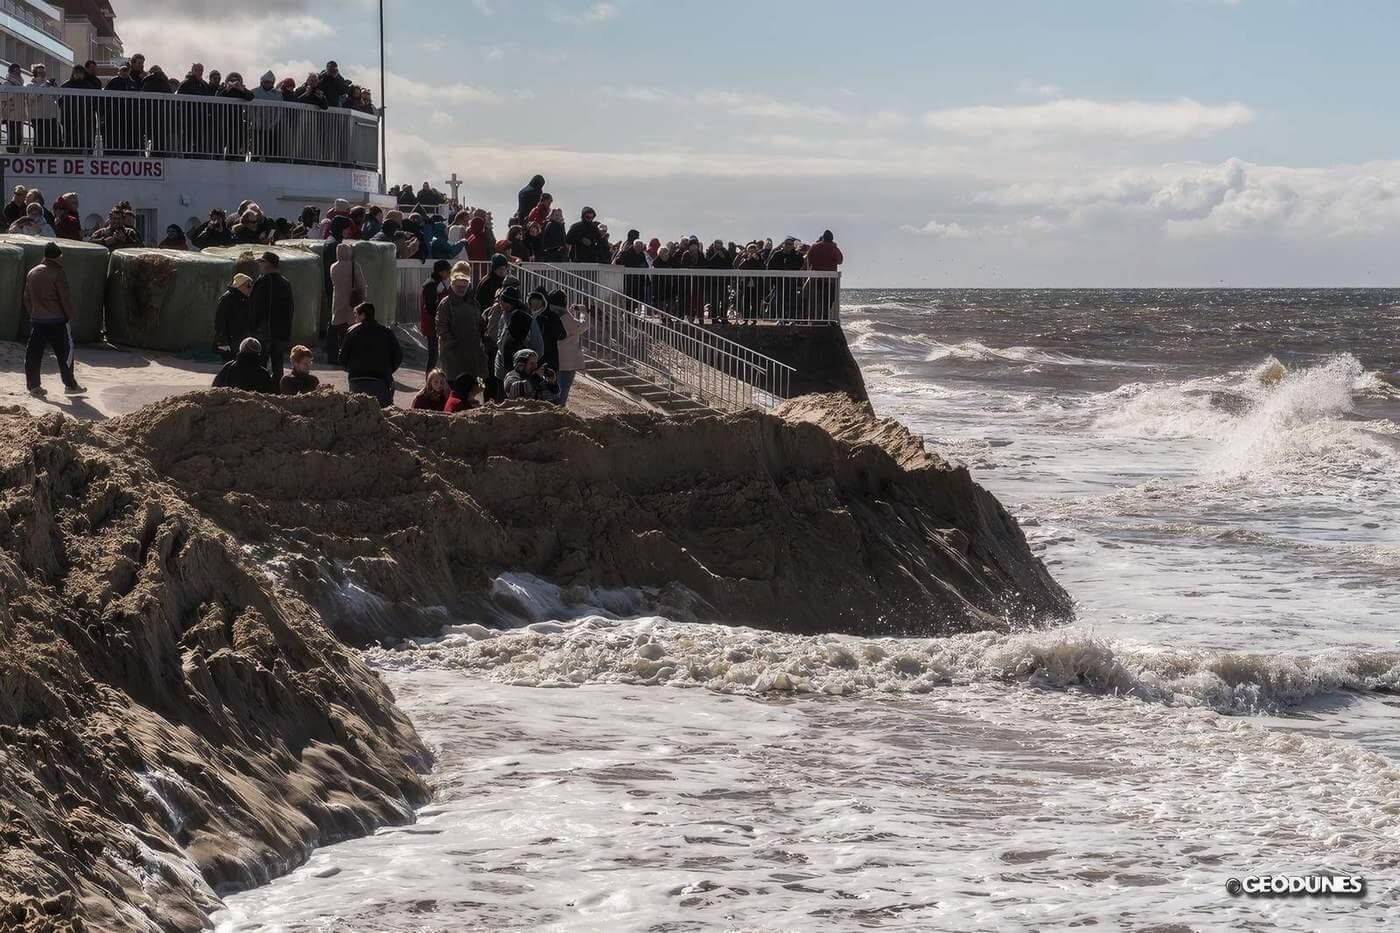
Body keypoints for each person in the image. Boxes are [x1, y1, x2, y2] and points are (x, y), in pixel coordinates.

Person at [22, 243, 83, 396]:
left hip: (38, 320)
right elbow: (65, 297)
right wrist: (69, 316)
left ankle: (34, 386)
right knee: (65, 353)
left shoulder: (32, 272)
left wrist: (34, 314)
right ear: (57, 256)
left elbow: (26, 298)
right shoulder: (58, 272)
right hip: (57, 321)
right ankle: (70, 385)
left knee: (33, 353)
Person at [436, 271, 488, 406]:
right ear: (452, 286)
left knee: (470, 388)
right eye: (458, 287)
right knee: (453, 388)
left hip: (471, 353)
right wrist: (452, 343)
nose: (461, 290)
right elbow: (441, 326)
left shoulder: (473, 303)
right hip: (454, 355)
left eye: (464, 287)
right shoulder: (446, 304)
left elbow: (479, 323)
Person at [338, 302, 402, 407]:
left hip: (356, 379)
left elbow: (342, 357)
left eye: (356, 316)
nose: (355, 320)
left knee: (358, 412)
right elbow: (398, 356)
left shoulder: (352, 331)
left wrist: (351, 368)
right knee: (383, 412)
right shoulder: (387, 332)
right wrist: (389, 370)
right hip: (382, 380)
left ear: (362, 315)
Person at [251, 251, 295, 381]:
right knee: (278, 364)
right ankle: (277, 390)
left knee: (261, 364)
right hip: (281, 332)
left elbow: (254, 307)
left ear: (269, 264)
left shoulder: (263, 281)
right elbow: (290, 309)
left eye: (262, 262)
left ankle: (261, 389)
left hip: (264, 332)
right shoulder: (285, 282)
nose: (260, 265)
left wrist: (253, 327)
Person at [328, 241, 366, 364]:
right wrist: (363, 298)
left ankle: (339, 356)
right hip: (352, 302)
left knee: (339, 330)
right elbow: (361, 285)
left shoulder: (333, 266)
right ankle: (350, 356)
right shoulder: (355, 266)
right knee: (352, 329)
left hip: (338, 302)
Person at [552, 295, 590, 405]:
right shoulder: (565, 318)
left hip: (554, 359)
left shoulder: (550, 316)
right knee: (562, 390)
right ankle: (558, 412)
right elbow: (583, 325)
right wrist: (583, 312)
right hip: (566, 363)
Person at [420, 259, 451, 374]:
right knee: (433, 355)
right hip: (432, 324)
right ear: (441, 272)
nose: (449, 275)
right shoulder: (432, 284)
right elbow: (430, 306)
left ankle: (431, 380)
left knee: (434, 354)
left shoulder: (434, 283)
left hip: (433, 323)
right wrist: (440, 320)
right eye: (448, 272)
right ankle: (429, 380)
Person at [214, 272, 254, 360]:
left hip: (241, 339)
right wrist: (223, 342)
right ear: (240, 286)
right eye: (248, 286)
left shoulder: (245, 299)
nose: (251, 289)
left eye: (251, 286)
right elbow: (220, 321)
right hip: (231, 340)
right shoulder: (227, 299)